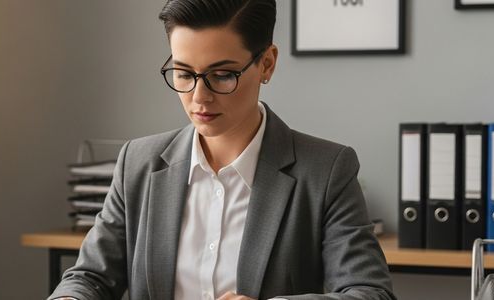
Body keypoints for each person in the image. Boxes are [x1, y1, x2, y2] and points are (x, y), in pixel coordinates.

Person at [49, 0, 395, 299]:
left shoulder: (325, 170)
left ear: (267, 64)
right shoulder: (138, 163)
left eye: (223, 75)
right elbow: (91, 277)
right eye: (184, 74)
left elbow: (369, 292)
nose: (199, 97)